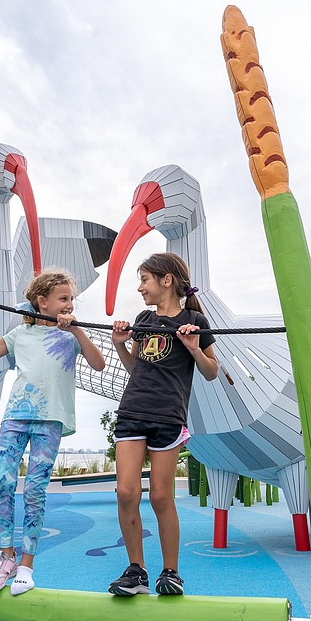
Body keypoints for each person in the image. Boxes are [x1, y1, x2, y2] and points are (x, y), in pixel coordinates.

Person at [0, 269, 105, 595]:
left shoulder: (69, 336)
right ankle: (5, 556)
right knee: (2, 480)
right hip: (16, 416)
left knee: (35, 490)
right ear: (42, 301)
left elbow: (99, 363)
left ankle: (26, 565)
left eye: (71, 299)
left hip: (50, 421)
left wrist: (77, 331)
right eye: (63, 299)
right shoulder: (21, 333)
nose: (69, 304)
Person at [108, 252, 219, 596]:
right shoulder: (143, 318)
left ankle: (170, 572)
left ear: (166, 280)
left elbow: (212, 372)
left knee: (160, 496)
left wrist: (192, 347)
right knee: (126, 491)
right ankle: (136, 571)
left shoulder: (194, 319)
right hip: (132, 410)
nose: (140, 287)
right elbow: (136, 368)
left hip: (168, 415)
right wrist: (119, 346)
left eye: (145, 280)